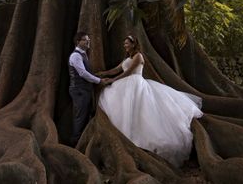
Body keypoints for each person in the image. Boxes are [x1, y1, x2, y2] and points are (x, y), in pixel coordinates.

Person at [97, 35, 203, 167]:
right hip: (125, 85)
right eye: (124, 43)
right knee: (122, 108)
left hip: (135, 83)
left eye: (127, 43)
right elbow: (117, 69)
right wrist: (104, 73)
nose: (125, 45)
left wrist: (113, 80)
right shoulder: (127, 58)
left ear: (133, 44)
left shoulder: (138, 56)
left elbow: (129, 72)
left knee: (141, 110)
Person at [68, 31, 110, 146]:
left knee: (86, 115)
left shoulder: (83, 54)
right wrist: (99, 81)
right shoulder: (76, 55)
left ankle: (83, 141)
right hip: (79, 90)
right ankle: (75, 142)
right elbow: (82, 73)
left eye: (88, 40)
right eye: (85, 40)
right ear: (78, 42)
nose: (88, 41)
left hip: (84, 90)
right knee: (80, 117)